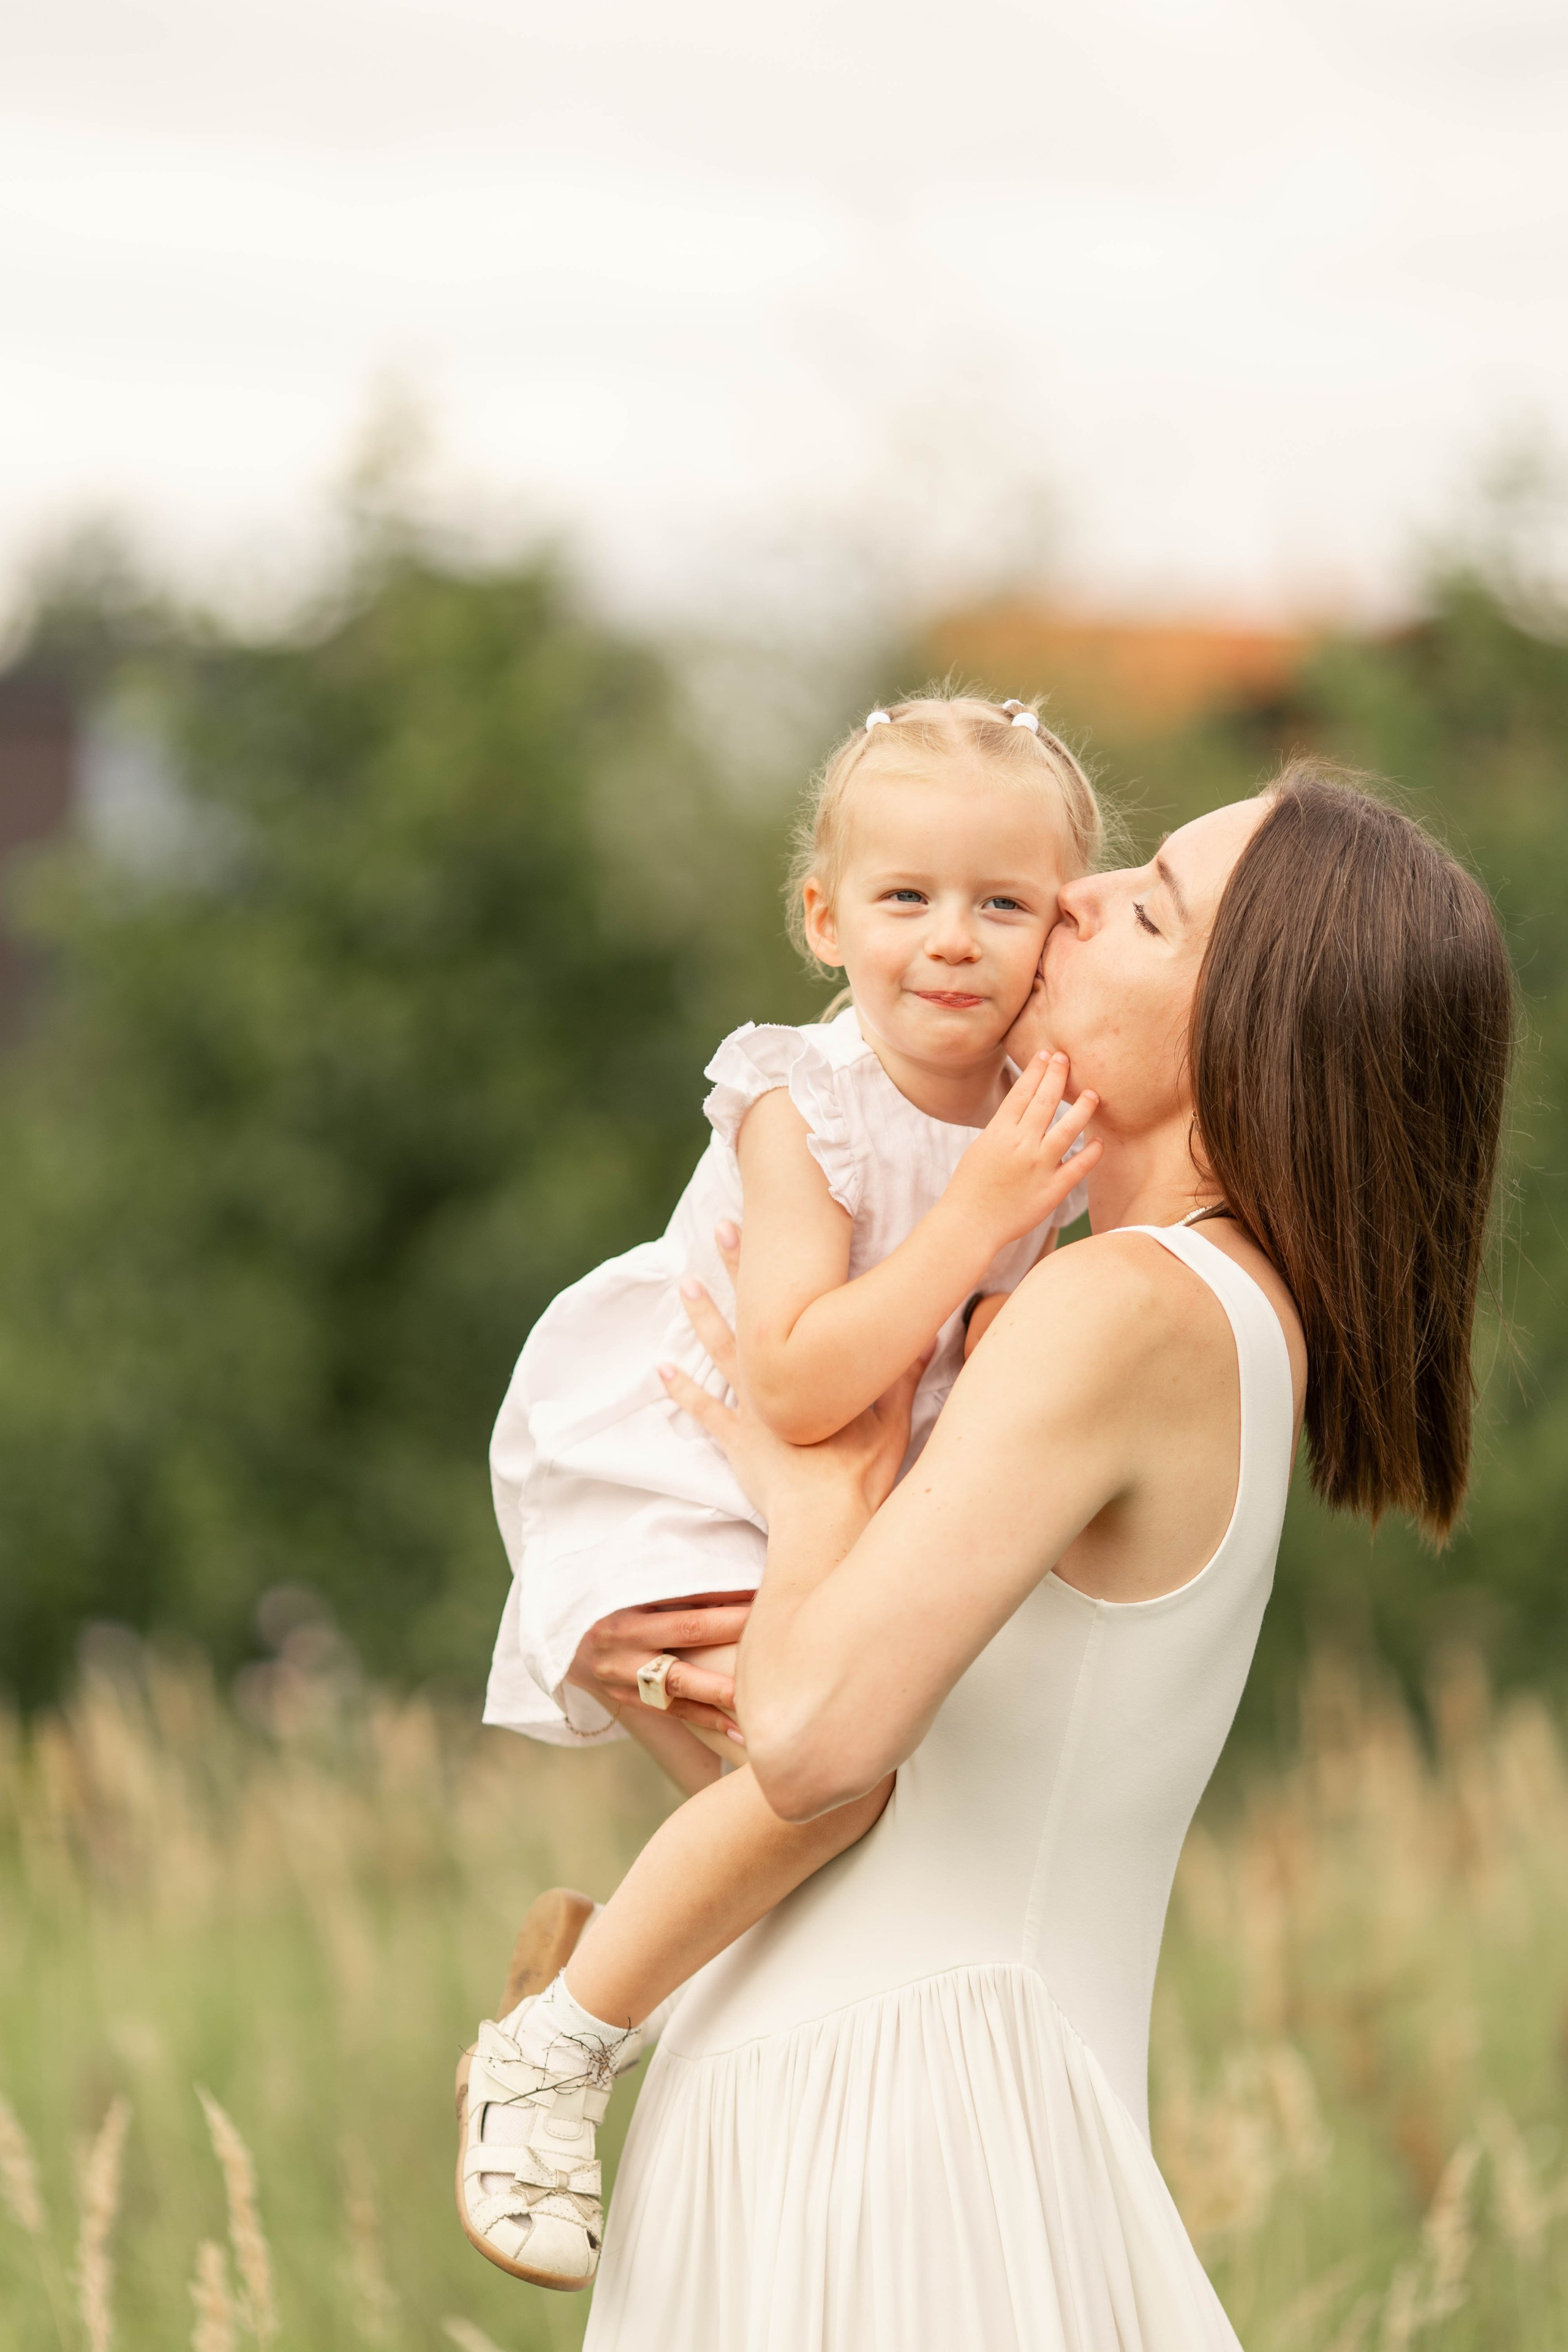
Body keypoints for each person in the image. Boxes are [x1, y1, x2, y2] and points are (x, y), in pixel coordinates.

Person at [489, 761, 1512, 2351]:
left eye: (1149, 907)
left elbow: (821, 1740)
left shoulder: (1121, 1307)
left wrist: (812, 1501)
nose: (1077, 901)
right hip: (899, 2106)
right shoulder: (1211, 1312)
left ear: (1252, 1034)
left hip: (897, 2147)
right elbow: (913, 1775)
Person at [461, 694, 1105, 2288]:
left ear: (1062, 926)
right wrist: (984, 1227)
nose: (952, 941)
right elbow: (801, 1377)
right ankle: (551, 2054)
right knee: (844, 1790)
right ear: (825, 919)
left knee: (832, 1837)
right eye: (906, 898)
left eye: (1002, 903)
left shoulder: (1042, 1102)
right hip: (694, 1459)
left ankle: (610, 1968)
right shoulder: (799, 1103)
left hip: (833, 1494)